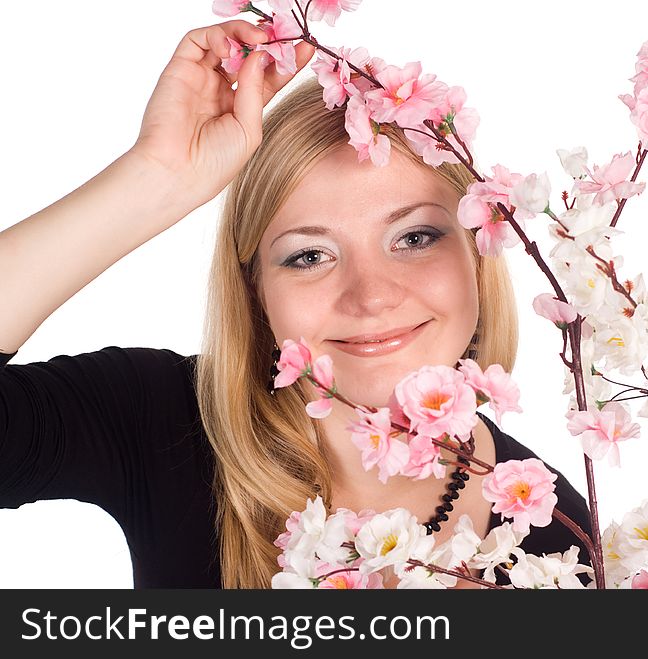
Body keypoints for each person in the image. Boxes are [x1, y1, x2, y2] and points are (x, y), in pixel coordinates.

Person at [0, 20, 593, 588]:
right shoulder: (160, 419)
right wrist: (156, 178)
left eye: (414, 238)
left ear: (477, 254)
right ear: (256, 288)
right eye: (309, 256)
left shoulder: (551, 527)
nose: (372, 295)